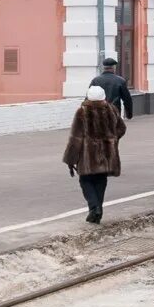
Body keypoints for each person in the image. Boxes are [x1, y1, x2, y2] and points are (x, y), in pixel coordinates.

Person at [62, 85, 127, 224]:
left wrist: (70, 159)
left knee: (85, 180)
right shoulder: (112, 109)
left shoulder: (82, 112)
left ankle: (94, 207)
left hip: (87, 156)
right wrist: (112, 139)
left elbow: (76, 138)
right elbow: (122, 128)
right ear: (104, 97)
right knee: (101, 181)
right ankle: (98, 210)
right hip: (107, 155)